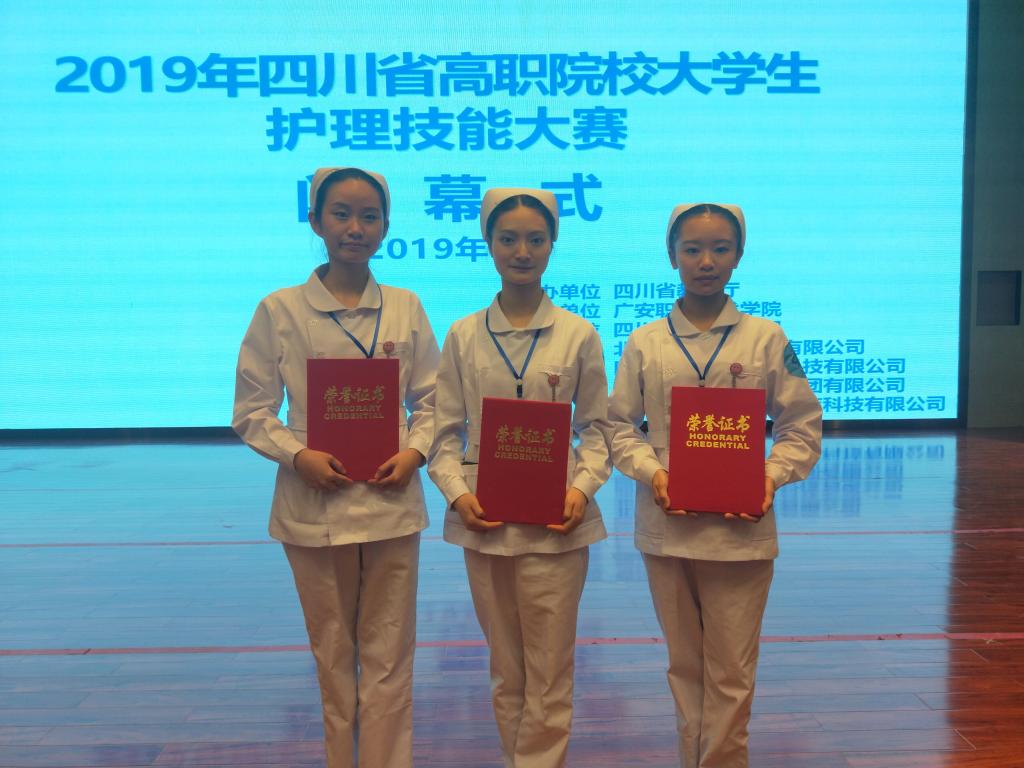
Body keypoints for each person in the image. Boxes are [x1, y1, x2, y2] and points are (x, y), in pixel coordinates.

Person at [232, 166, 439, 768]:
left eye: (369, 216)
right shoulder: (280, 309)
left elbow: (433, 400)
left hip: (391, 500)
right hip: (313, 504)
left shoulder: (405, 306)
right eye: (341, 214)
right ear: (315, 221)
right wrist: (298, 455)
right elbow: (252, 410)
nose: (355, 228)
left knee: (390, 656)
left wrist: (415, 451)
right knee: (332, 655)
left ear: (386, 226)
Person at [606, 203, 822, 768]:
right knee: (684, 666)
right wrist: (654, 473)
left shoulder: (766, 338)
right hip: (668, 528)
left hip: (741, 530)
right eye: (693, 249)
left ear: (738, 255)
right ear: (672, 256)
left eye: (720, 248)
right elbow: (617, 426)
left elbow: (802, 425)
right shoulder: (646, 342)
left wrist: (768, 477)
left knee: (731, 671)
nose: (706, 261)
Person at [427, 188, 610, 768]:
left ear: (553, 244)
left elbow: (599, 431)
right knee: (506, 669)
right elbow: (442, 433)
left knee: (550, 671)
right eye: (508, 239)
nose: (522, 251)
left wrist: (581, 488)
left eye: (535, 239)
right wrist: (458, 494)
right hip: (486, 521)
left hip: (558, 524)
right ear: (488, 243)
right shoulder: (463, 335)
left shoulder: (578, 334)